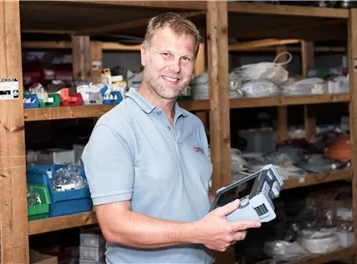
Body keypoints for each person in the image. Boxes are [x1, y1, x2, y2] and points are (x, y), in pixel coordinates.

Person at [82, 12, 261, 264]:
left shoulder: (194, 125)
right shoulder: (114, 129)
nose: (175, 67)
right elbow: (115, 225)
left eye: (185, 58)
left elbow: (191, 195)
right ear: (144, 55)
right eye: (165, 54)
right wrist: (199, 233)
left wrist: (231, 209)